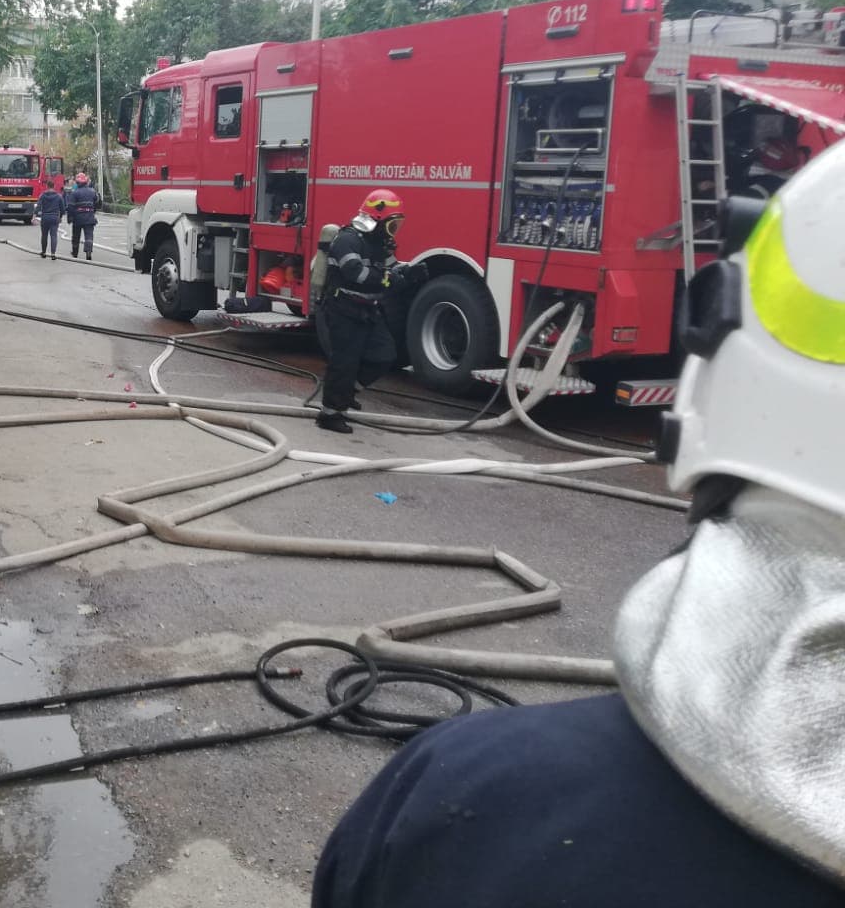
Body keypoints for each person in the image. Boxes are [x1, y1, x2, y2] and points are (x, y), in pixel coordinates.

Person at [312, 147, 845, 907]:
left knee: (368, 357)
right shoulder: (355, 239)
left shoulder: (468, 792)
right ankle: (334, 409)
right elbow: (352, 273)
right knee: (353, 363)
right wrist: (375, 278)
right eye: (392, 216)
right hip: (350, 312)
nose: (397, 223)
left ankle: (342, 400)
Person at [316, 190, 420, 434]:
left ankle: (347, 393)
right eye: (392, 224)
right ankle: (330, 414)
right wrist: (389, 280)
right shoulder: (347, 240)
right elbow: (356, 273)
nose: (394, 230)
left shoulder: (379, 244)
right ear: (377, 218)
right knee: (344, 363)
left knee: (384, 356)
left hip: (368, 310)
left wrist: (409, 274)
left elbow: (391, 269)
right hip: (343, 309)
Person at [66, 171, 102, 260]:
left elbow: (70, 206)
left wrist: (69, 217)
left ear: (77, 183)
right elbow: (98, 203)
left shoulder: (75, 193)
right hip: (89, 217)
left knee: (76, 236)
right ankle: (88, 252)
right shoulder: (92, 191)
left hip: (77, 218)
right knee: (89, 236)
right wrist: (93, 211)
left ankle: (75, 253)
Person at [36, 181, 65, 259]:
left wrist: (34, 215)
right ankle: (53, 254)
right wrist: (60, 217)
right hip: (54, 218)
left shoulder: (42, 195)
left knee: (44, 235)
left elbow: (38, 206)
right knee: (53, 235)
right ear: (54, 186)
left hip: (45, 217)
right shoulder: (59, 196)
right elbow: (62, 209)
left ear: (47, 186)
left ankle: (44, 252)